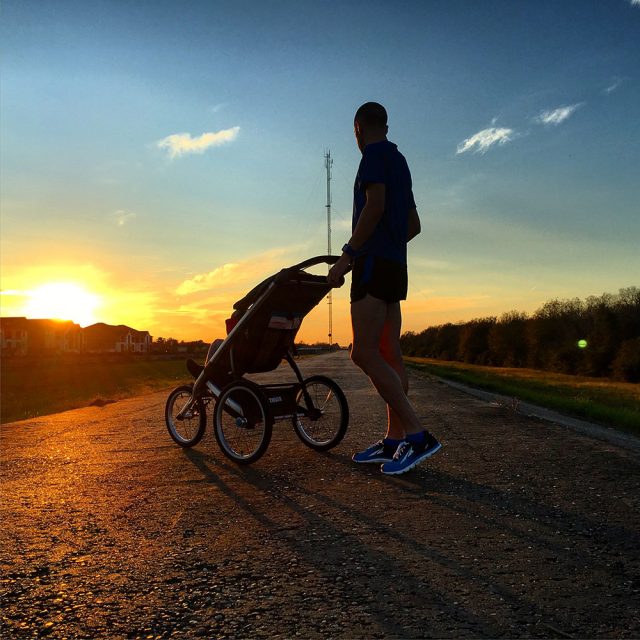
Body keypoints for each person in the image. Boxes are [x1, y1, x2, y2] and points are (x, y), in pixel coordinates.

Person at [328, 101, 441, 475]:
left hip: (373, 265)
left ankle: (417, 434)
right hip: (394, 265)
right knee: (389, 352)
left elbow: (373, 207)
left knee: (362, 352)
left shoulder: (372, 156)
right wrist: (390, 245)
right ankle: (394, 439)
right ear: (386, 125)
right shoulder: (399, 160)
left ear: (358, 127)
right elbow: (413, 224)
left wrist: (349, 256)